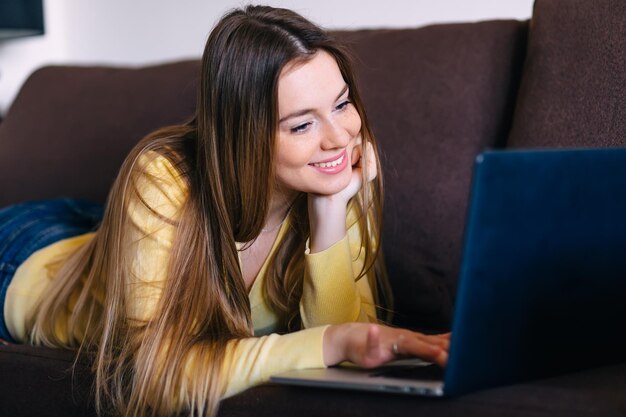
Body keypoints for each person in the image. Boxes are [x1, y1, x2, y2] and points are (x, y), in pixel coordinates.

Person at [0, 5, 449, 417]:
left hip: (107, 231)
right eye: (302, 124)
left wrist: (330, 210)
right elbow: (157, 375)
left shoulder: (330, 177)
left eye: (341, 103)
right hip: (26, 254)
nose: (340, 137)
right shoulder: (160, 175)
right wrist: (332, 343)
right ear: (243, 134)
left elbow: (351, 353)